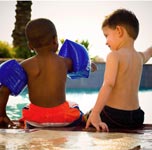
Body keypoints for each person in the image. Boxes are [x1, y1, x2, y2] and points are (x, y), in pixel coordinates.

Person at [0, 18, 95, 128]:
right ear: (55, 40)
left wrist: (2, 114)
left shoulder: (25, 66)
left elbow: (3, 90)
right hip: (62, 119)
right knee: (73, 105)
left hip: (35, 121)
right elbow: (84, 66)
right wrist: (91, 65)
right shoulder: (64, 62)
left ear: (30, 45)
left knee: (28, 107)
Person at [85, 8, 152, 132]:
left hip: (114, 116)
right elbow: (150, 51)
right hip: (136, 117)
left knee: (85, 117)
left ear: (119, 31)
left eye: (107, 35)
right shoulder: (140, 57)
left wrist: (95, 113)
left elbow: (108, 84)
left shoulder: (114, 55)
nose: (106, 42)